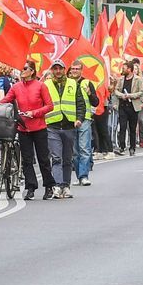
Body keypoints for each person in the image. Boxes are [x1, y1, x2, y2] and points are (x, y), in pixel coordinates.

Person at [0, 61, 54, 201]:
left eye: (24, 68)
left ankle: (48, 186)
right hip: (23, 127)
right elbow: (5, 100)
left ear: (32, 71)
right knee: (27, 160)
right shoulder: (16, 87)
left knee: (43, 159)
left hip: (39, 128)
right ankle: (30, 187)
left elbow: (49, 106)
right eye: (20, 68)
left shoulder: (41, 86)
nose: (21, 71)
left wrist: (34, 113)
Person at [43, 60, 82, 200]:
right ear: (52, 70)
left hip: (69, 126)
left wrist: (79, 119)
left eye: (60, 68)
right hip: (52, 125)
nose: (58, 71)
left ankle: (66, 186)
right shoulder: (46, 85)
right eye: (55, 69)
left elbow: (80, 103)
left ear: (65, 70)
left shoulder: (73, 84)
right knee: (56, 158)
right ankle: (58, 185)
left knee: (67, 158)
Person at [71, 62, 101, 186]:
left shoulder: (87, 83)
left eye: (77, 69)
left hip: (85, 120)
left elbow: (96, 102)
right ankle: (79, 176)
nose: (74, 71)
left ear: (81, 71)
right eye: (73, 69)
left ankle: (84, 176)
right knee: (75, 151)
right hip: (71, 119)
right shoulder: (67, 83)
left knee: (84, 149)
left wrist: (89, 94)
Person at [117, 60, 143, 156]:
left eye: (124, 68)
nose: (122, 70)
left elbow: (142, 91)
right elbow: (116, 91)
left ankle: (132, 147)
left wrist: (131, 95)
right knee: (122, 126)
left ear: (129, 69)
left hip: (133, 106)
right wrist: (122, 95)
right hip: (123, 106)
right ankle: (122, 146)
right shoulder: (120, 79)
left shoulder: (138, 79)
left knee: (132, 128)